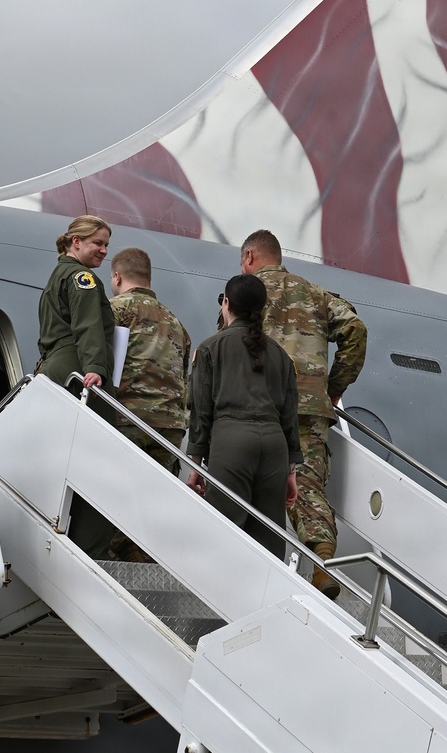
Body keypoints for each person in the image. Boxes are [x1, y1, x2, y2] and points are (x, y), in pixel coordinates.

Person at [240, 229, 367, 597]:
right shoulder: (316, 293)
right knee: (306, 484)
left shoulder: (246, 295)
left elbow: (230, 344)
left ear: (249, 257)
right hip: (308, 405)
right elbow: (355, 329)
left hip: (257, 403)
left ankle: (249, 565)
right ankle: (322, 558)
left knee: (247, 479)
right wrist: (333, 387)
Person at [186, 273, 301, 557]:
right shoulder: (281, 356)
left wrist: (195, 463)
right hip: (274, 446)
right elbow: (290, 415)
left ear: (226, 303)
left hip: (232, 442)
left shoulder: (211, 348)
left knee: (224, 532)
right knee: (269, 539)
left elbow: (201, 408)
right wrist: (291, 470)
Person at [109, 247, 190, 471]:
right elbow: (185, 377)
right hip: (170, 427)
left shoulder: (115, 308)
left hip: (129, 419)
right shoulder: (174, 320)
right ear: (149, 279)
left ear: (117, 276)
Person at [37, 216, 115, 389]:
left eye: (106, 245)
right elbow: (88, 324)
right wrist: (95, 367)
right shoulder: (82, 277)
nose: (104, 251)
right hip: (78, 369)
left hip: (53, 368)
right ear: (76, 241)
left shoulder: (57, 277)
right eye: (98, 243)